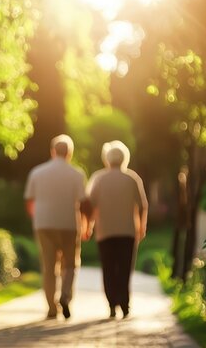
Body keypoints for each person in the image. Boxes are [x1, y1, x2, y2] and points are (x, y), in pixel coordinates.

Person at [24, 134, 88, 319]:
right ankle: (65, 296)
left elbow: (29, 201)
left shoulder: (37, 172)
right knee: (70, 264)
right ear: (69, 153)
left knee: (49, 266)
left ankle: (52, 308)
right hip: (68, 224)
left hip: (44, 225)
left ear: (52, 151)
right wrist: (85, 226)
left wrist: (37, 218)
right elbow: (83, 203)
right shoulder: (77, 174)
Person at [84, 140, 148, 319]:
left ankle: (112, 304)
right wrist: (142, 227)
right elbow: (143, 205)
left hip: (105, 232)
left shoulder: (98, 178)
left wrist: (88, 226)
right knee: (125, 268)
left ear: (107, 159)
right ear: (124, 158)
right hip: (128, 231)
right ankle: (125, 304)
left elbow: (90, 204)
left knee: (109, 268)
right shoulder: (132, 178)